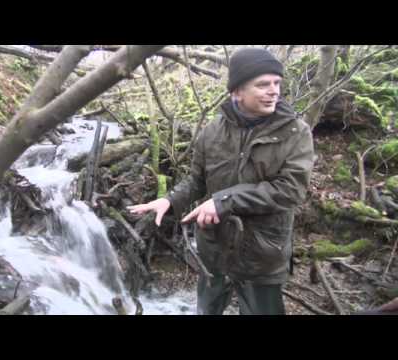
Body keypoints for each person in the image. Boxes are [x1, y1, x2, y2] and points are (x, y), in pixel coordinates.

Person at [128, 48, 314, 315]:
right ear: (237, 92)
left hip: (262, 252)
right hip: (214, 246)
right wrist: (169, 200)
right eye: (263, 85)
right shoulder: (212, 131)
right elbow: (196, 181)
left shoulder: (296, 132)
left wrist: (224, 201)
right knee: (208, 309)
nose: (274, 91)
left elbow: (290, 191)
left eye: (277, 83)